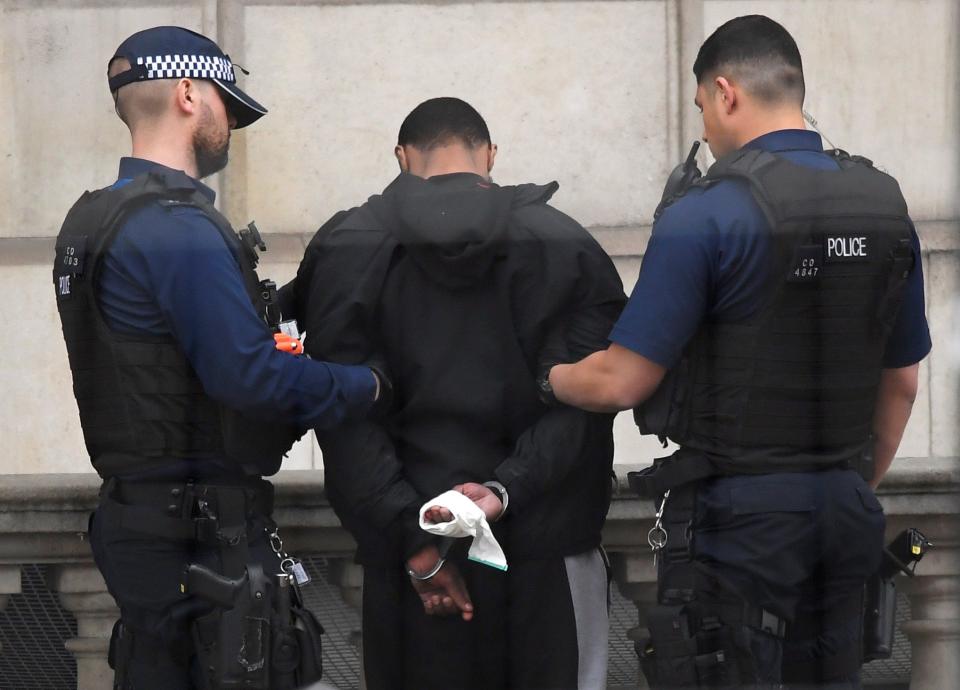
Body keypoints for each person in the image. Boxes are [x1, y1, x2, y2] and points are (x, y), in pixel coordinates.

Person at [548, 15, 930, 689]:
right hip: (844, 509)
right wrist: (845, 484)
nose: (704, 129)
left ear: (726, 92)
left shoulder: (707, 213)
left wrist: (547, 378)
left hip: (740, 520)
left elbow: (620, 381)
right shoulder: (884, 203)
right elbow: (901, 381)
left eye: (701, 108)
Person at [53, 26, 382, 689]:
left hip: (140, 522)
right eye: (225, 103)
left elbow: (157, 351)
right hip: (201, 533)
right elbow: (248, 377)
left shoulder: (90, 220)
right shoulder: (177, 228)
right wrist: (367, 385)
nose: (231, 121)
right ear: (186, 94)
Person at [288, 97, 626, 690]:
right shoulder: (562, 243)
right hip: (545, 550)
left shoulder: (348, 248)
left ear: (401, 158)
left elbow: (342, 412)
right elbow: (586, 401)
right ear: (489, 156)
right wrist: (500, 491)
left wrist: (416, 538)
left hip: (410, 567)